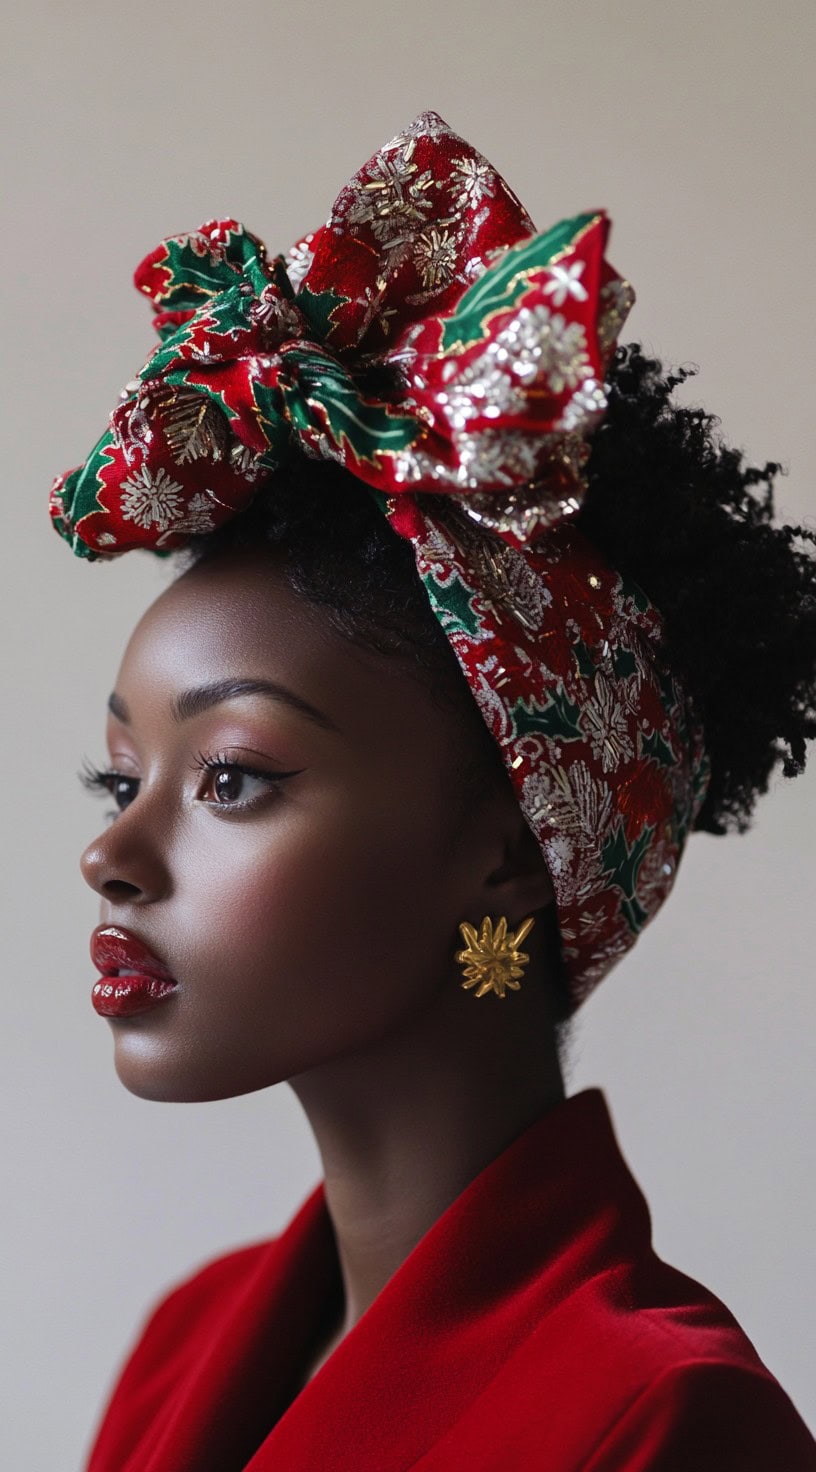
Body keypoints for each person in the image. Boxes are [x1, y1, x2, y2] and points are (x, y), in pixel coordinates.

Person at [51, 112, 816, 1470]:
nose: (114, 852)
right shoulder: (189, 1345)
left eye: (231, 777)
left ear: (513, 851)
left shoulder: (662, 1417)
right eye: (123, 773)